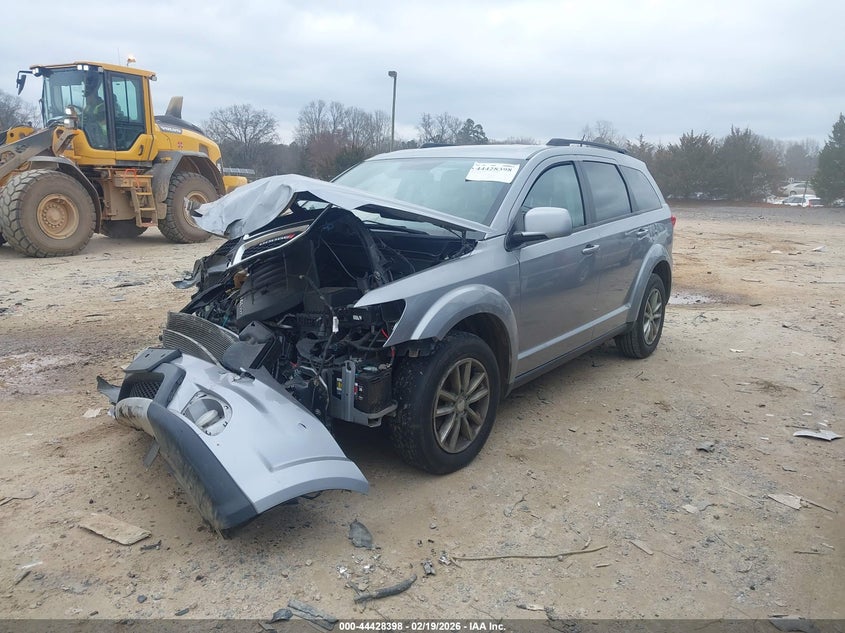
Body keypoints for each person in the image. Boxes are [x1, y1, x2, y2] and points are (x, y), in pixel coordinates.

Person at [82, 73, 107, 148]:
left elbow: (100, 119)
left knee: (91, 126)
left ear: (93, 95)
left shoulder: (102, 106)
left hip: (103, 133)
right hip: (94, 132)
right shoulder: (88, 107)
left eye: (88, 96)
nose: (87, 99)